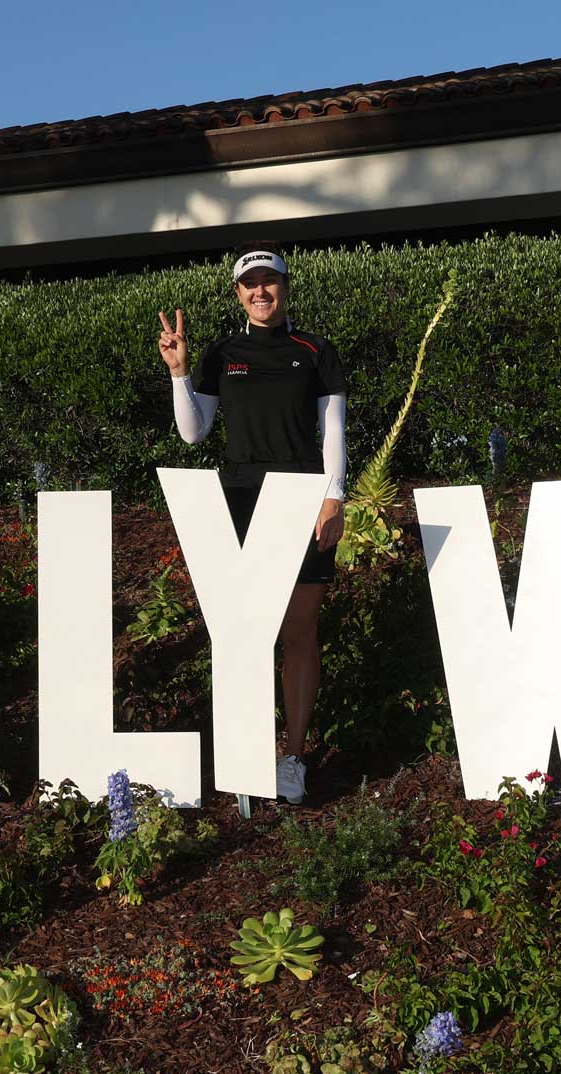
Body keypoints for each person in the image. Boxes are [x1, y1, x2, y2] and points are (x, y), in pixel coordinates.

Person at [157, 246, 347, 804]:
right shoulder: (221, 352)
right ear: (238, 293)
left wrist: (333, 497)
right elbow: (195, 432)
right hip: (238, 500)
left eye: (270, 281)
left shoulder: (316, 351)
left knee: (299, 632)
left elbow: (333, 429)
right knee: (244, 635)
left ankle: (293, 755)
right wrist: (180, 373)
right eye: (250, 284)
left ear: (285, 287)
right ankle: (247, 752)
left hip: (302, 498)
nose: (260, 292)